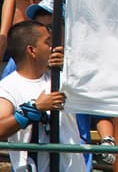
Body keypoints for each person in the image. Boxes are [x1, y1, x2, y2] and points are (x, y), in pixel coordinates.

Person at [0, 22, 84, 172]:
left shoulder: (63, 78)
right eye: (48, 42)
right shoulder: (8, 87)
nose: (54, 48)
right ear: (32, 50)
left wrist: (69, 68)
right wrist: (34, 109)